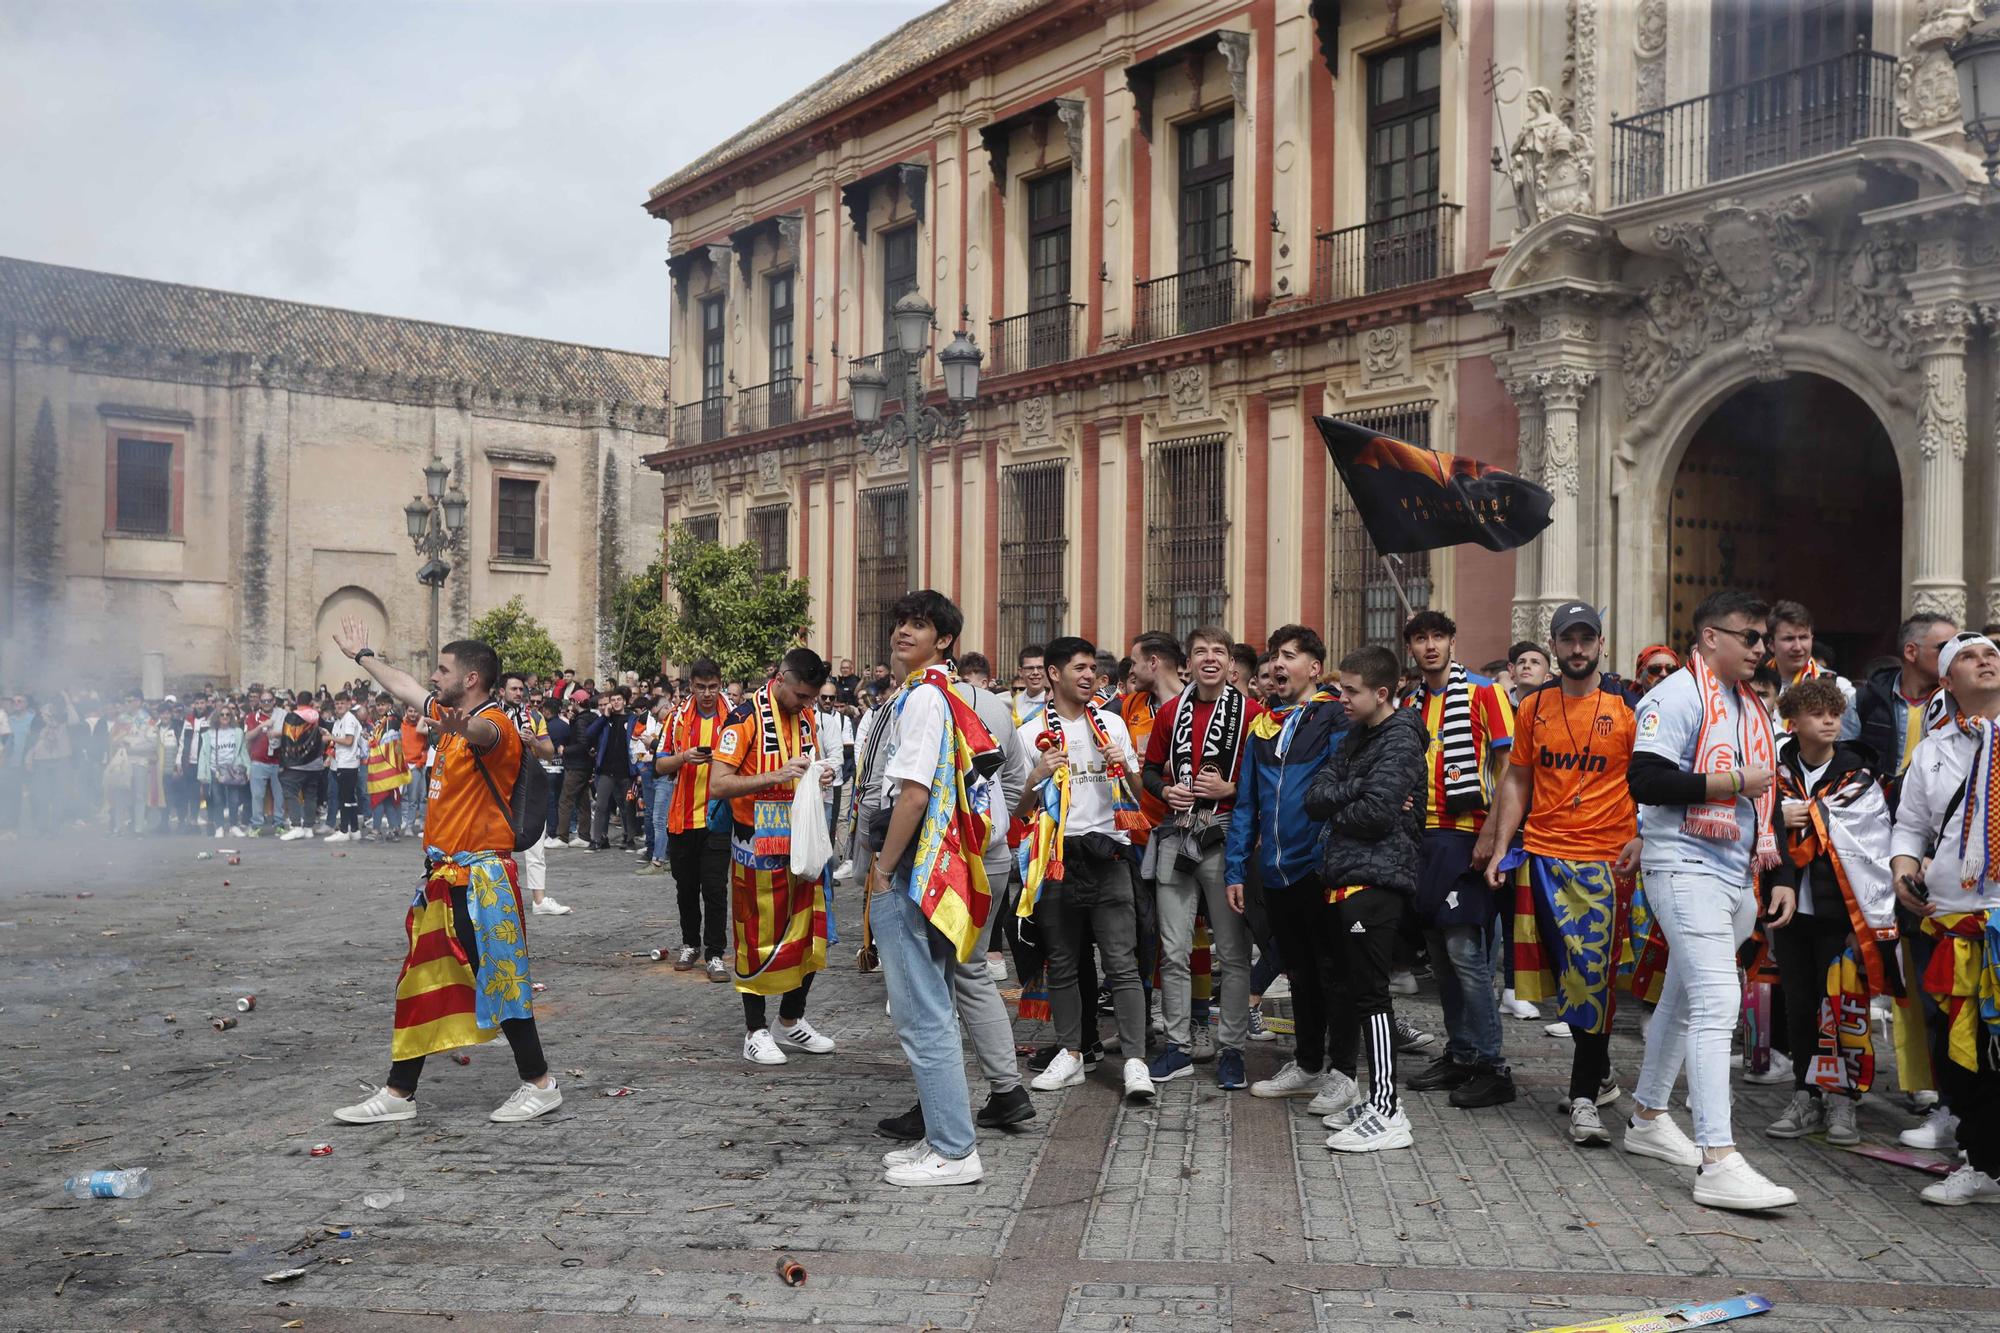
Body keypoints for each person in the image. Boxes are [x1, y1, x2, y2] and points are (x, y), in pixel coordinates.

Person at [329, 623, 562, 1127]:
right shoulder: (450, 717)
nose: (433, 677)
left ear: (471, 677)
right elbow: (406, 686)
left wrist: (459, 725)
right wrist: (363, 656)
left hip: (483, 882)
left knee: (501, 983)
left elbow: (483, 733)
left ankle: (541, 1084)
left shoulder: (492, 723)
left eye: (443, 670)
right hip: (443, 879)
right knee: (421, 980)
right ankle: (398, 1091)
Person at [1622, 589, 1797, 1211]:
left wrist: (1776, 871)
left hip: (1733, 869)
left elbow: (1765, 794)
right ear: (1709, 638)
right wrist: (1729, 781)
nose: (1760, 647)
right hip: (1685, 864)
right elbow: (1643, 778)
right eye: (1749, 636)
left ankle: (1646, 1117)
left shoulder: (1749, 705)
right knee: (1719, 999)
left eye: (1763, 637)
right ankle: (1717, 1158)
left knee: (1681, 997)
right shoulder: (1677, 694)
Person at [858, 591, 1011, 1186]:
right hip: (939, 871)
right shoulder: (932, 694)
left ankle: (953, 1149)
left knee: (923, 1015)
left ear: (943, 639)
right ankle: (941, 1136)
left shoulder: (923, 698)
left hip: (915, 870)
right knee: (935, 1006)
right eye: (898, 622)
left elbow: (914, 794)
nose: (903, 633)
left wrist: (882, 866)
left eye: (918, 625)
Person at [1484, 604, 1641, 1147]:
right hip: (1542, 858)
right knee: (1560, 979)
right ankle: (1597, 1074)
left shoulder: (1628, 707)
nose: (1577, 649)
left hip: (1605, 860)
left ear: (1601, 642)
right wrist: (1502, 848)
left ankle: (1582, 1099)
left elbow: (1647, 779)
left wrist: (1640, 835)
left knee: (1589, 981)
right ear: (1553, 644)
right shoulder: (1535, 707)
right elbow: (1517, 781)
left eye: (1586, 639)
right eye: (1567, 639)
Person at [1226, 626, 1359, 1111]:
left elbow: (1341, 788)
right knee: (1299, 973)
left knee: (1333, 973)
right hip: (1274, 871)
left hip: (1319, 871)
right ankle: (1307, 1065)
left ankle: (1345, 1071)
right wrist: (1237, 869)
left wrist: (1327, 857)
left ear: (1315, 668)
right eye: (1274, 657)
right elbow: (1246, 805)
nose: (1278, 665)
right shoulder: (1262, 726)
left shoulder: (1333, 718)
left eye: (1290, 656)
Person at [1017, 636, 1155, 1103]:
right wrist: (1036, 777)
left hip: (1109, 855)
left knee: (1121, 963)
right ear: (1054, 674)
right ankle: (1072, 1053)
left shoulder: (1111, 726)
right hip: (1056, 857)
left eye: (1092, 667)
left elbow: (1140, 799)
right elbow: (1017, 811)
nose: (1088, 675)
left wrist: (1127, 769)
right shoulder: (1029, 732)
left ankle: (1136, 1062)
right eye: (1078, 667)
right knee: (1062, 964)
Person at [1760, 677, 1896, 1147]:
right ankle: (1805, 1093)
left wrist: (1798, 815)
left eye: (1835, 712)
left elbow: (1869, 838)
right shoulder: (1776, 773)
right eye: (1818, 714)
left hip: (1842, 912)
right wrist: (1779, 815)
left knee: (1840, 1002)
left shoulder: (1858, 775)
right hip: (1791, 911)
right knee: (1800, 1003)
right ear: (1792, 723)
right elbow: (1757, 820)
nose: (1830, 721)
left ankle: (1844, 1099)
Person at [1889, 630, 2000, 1205]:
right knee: (1965, 1052)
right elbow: (1910, 826)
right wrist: (1903, 871)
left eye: (1991, 655)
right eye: (1969, 658)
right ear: (1948, 681)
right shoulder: (1931, 750)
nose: (1984, 662)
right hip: (1953, 919)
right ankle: (1983, 1163)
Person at [1308, 644, 1430, 1152]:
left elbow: (1378, 815)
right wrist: (1354, 793)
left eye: (1351, 691)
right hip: (1345, 874)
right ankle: (1377, 1100)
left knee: (1374, 997)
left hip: (1376, 883)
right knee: (1356, 991)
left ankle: (1388, 1109)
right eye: (1339, 689)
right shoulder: (1357, 736)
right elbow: (1314, 796)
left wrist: (1349, 800)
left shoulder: (1400, 738)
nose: (1341, 699)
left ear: (1382, 693)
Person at [1400, 610, 1518, 1109]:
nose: (1430, 646)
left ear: (1453, 640)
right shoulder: (1410, 701)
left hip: (1467, 833)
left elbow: (1511, 766)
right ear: (1411, 647)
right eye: (1420, 639)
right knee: (1440, 956)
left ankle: (1493, 1065)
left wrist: (1492, 835)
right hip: (1420, 839)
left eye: (1437, 637)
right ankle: (1461, 1053)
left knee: (1468, 956)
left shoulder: (1485, 693)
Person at [1143, 627, 1263, 1090]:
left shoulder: (1252, 714)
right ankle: (1177, 1046)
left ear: (1231, 664)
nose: (1209, 659)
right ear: (1186, 664)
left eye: (1218, 652)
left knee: (1233, 953)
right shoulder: (1171, 712)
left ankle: (1231, 1048)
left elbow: (1267, 778)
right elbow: (1150, 769)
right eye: (1200, 652)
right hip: (1177, 833)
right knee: (1172, 950)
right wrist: (1163, 789)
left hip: (1227, 836)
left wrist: (1231, 789)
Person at [709, 649, 837, 1065]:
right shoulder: (744, 719)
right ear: (780, 678)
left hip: (800, 840)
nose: (806, 704)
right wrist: (776, 775)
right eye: (801, 695)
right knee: (756, 936)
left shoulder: (806, 717)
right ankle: (755, 1030)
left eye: (811, 698)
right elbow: (718, 784)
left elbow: (809, 763)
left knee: (809, 929)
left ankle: (791, 1019)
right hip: (757, 841)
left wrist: (821, 772)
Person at [655, 661, 731, 980]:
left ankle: (715, 954)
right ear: (691, 687)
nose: (707, 694)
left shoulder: (736, 720)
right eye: (701, 687)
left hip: (718, 818)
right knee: (686, 888)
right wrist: (684, 757)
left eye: (712, 687)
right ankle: (690, 944)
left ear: (720, 685)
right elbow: (660, 766)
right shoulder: (677, 720)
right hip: (682, 819)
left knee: (715, 889)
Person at [1856, 612, 1958, 792]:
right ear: (1911, 651)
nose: (1954, 655)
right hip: (1874, 806)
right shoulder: (1866, 698)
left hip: (1932, 806)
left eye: (1958, 649)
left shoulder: (1960, 702)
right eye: (1945, 647)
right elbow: (1842, 756)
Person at [501, 673, 568, 916]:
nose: (518, 693)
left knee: (535, 841)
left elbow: (549, 752)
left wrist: (534, 743)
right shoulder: (491, 713)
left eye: (521, 689)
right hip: (497, 787)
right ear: (501, 691)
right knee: (495, 844)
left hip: (527, 785)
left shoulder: (534, 716)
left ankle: (539, 899)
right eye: (513, 689)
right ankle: (496, 895)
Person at [1769, 600, 1859, 739]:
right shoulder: (1753, 684)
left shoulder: (1838, 687)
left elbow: (1848, 746)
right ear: (1771, 644)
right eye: (1789, 639)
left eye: (1803, 637)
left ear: (1812, 638)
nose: (1798, 647)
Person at [586, 688, 638, 852]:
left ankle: (629, 837)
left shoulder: (632, 719)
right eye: (613, 700)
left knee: (627, 805)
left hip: (626, 771)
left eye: (619, 700)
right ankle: (596, 839)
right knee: (601, 805)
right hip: (606, 770)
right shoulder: (605, 720)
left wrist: (636, 770)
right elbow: (590, 733)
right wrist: (604, 716)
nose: (616, 703)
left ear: (624, 701)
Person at [276, 692, 328, 840]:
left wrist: (284, 761)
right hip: (315, 764)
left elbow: (287, 739)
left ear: (297, 701)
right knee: (311, 795)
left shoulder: (292, 717)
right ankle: (309, 828)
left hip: (295, 764)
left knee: (291, 793)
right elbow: (324, 732)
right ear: (311, 702)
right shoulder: (317, 717)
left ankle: (296, 825)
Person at [326, 693, 366, 843]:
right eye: (337, 704)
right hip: (341, 762)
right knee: (349, 798)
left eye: (342, 703)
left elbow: (348, 741)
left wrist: (330, 738)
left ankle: (344, 830)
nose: (339, 706)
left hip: (348, 763)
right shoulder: (339, 721)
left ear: (349, 704)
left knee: (344, 798)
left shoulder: (349, 719)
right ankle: (354, 829)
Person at [1012, 644, 1049, 727]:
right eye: (1029, 668)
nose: (1035, 672)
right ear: (1020, 672)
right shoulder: (1015, 701)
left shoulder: (1055, 702)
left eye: (1040, 668)